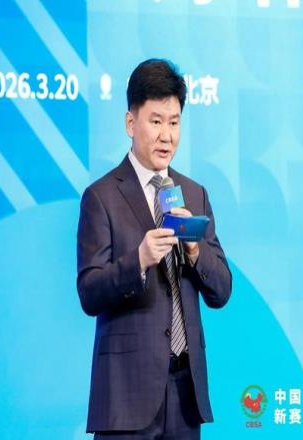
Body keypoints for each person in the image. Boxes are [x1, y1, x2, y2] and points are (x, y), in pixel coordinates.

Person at [77, 59, 232, 440]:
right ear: (131, 124)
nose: (167, 135)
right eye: (156, 121)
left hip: (185, 394)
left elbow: (222, 290)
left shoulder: (194, 193)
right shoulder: (101, 197)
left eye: (174, 122)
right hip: (126, 396)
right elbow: (89, 292)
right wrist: (139, 261)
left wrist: (195, 252)